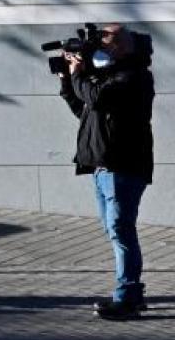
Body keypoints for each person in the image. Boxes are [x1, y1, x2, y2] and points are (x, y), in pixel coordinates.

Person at [59, 24, 154, 320]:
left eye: (106, 38)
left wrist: (79, 74)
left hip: (123, 166)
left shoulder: (133, 76)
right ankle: (131, 294)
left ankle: (127, 297)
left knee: (121, 230)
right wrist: (67, 80)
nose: (100, 44)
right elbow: (86, 110)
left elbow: (97, 98)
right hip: (102, 167)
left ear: (123, 45)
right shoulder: (108, 76)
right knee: (115, 230)